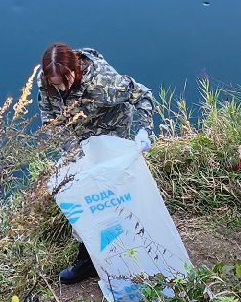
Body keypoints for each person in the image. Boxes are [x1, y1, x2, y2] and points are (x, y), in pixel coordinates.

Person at [37, 42, 157, 285]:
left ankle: (122, 249)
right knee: (79, 192)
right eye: (54, 84)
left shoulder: (103, 83)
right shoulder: (46, 79)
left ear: (74, 71)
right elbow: (49, 119)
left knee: (110, 194)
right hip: (77, 142)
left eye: (64, 81)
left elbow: (143, 94)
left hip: (109, 134)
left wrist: (144, 130)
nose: (59, 88)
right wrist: (74, 152)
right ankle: (91, 256)